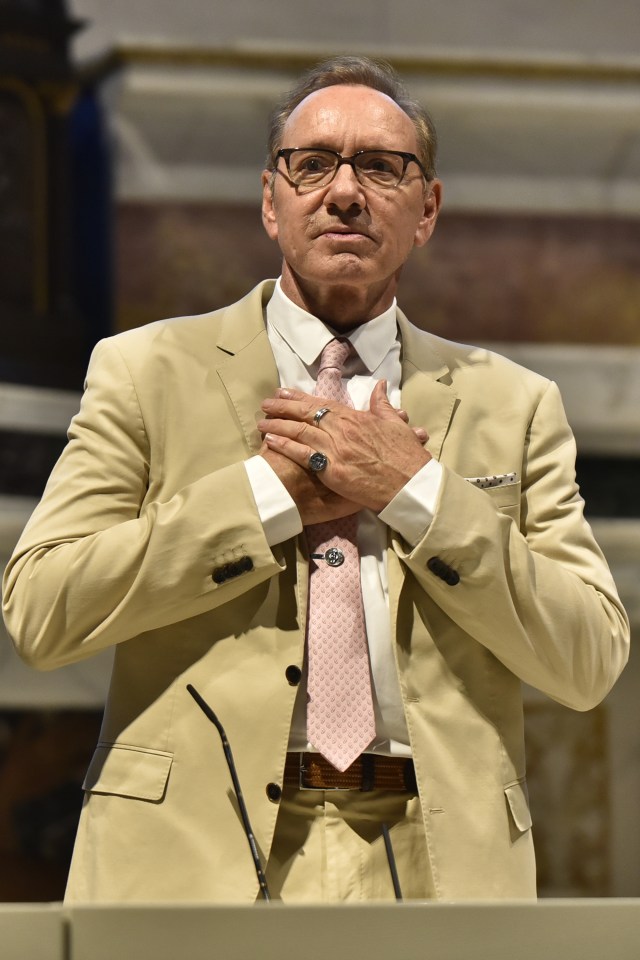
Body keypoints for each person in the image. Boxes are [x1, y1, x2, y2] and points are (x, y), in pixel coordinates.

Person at [2, 56, 629, 903]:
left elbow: (588, 659)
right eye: (312, 164)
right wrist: (266, 497)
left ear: (427, 211)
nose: (344, 191)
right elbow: (42, 611)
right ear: (271, 200)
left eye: (380, 167)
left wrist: (417, 494)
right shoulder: (145, 370)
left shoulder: (513, 403)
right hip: (189, 854)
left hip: (438, 861)